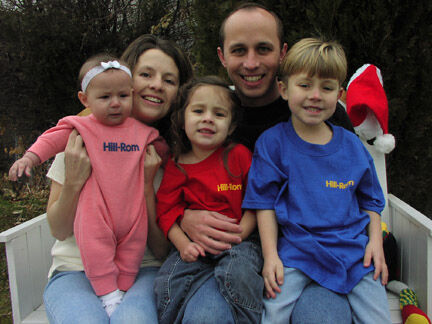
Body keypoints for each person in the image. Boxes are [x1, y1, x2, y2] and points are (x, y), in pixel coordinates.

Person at [179, 3, 354, 323]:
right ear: (221, 56)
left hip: (314, 259)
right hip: (225, 258)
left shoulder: (322, 114)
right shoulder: (208, 115)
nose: (250, 63)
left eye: (263, 49)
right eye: (238, 50)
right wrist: (184, 218)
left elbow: (352, 191)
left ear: (283, 52)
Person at [40, 35, 193, 323]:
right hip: (75, 271)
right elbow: (59, 230)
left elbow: (161, 250)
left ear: (179, 93)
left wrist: (147, 185)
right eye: (146, 74)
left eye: (169, 80)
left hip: (142, 270)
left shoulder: (171, 154)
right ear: (126, 78)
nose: (157, 85)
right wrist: (73, 182)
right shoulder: (80, 138)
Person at [242, 37, 392, 323]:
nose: (315, 95)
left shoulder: (351, 146)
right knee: (271, 315)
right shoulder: (273, 144)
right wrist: (271, 256)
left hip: (355, 254)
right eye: (305, 85)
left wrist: (375, 242)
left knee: (379, 319)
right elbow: (264, 204)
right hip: (297, 253)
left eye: (326, 87)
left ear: (339, 94)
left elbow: (371, 199)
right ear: (284, 89)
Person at [9, 53, 170, 316]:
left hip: (134, 221)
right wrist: (29, 157)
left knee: (133, 249)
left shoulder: (144, 135)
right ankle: (108, 292)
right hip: (93, 219)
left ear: (131, 94)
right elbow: (51, 139)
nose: (115, 104)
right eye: (105, 97)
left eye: (122, 96)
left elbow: (167, 153)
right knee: (95, 244)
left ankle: (122, 289)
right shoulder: (80, 132)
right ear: (85, 99)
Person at [154, 76, 263, 324]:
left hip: (239, 242)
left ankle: (249, 318)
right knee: (167, 281)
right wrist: (183, 245)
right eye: (198, 110)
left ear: (232, 127)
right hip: (195, 245)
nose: (208, 119)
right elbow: (166, 211)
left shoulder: (238, 155)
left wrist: (239, 234)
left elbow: (256, 201)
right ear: (182, 120)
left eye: (219, 114)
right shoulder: (178, 164)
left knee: (238, 273)